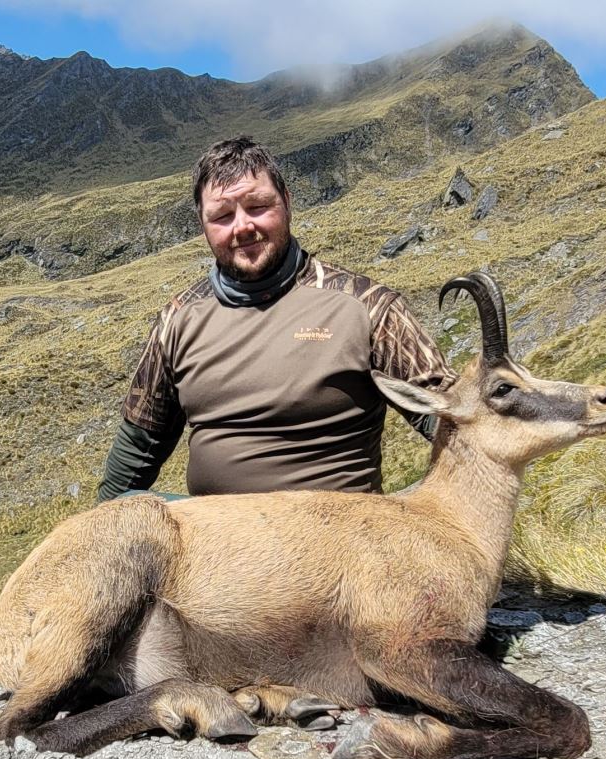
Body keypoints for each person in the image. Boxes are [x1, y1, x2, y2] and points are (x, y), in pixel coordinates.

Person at [96, 136, 456, 501]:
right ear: (203, 225)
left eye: (257, 206)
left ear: (286, 201)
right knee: (125, 510)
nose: (242, 227)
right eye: (222, 216)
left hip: (341, 540)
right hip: (214, 544)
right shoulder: (177, 319)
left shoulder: (368, 306)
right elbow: (137, 449)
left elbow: (456, 417)